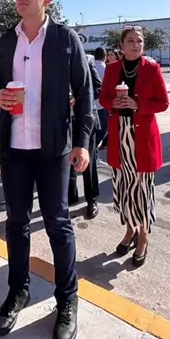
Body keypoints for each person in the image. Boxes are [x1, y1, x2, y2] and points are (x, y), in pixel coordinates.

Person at [0, 0, 93, 339]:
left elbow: (84, 91)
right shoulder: (6, 39)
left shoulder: (64, 39)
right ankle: (19, 291)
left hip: (53, 149)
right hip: (14, 147)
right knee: (15, 223)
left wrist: (83, 142)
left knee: (58, 224)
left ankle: (67, 299)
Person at [99, 27, 169, 267]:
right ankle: (129, 230)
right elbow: (103, 98)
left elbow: (163, 103)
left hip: (142, 139)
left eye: (139, 41)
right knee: (122, 188)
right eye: (130, 40)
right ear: (122, 44)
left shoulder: (152, 68)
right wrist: (114, 104)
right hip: (120, 137)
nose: (136, 44)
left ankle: (143, 237)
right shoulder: (111, 69)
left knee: (142, 191)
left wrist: (137, 103)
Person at [68, 55, 102, 219]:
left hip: (85, 121)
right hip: (65, 121)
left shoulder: (87, 61)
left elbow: (98, 88)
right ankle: (71, 196)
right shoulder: (56, 60)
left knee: (89, 163)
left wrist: (78, 99)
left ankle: (92, 200)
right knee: (67, 161)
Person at [93, 47, 109, 149]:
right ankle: (94, 151)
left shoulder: (90, 66)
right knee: (102, 129)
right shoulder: (106, 69)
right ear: (105, 56)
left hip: (91, 103)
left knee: (93, 129)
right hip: (102, 104)